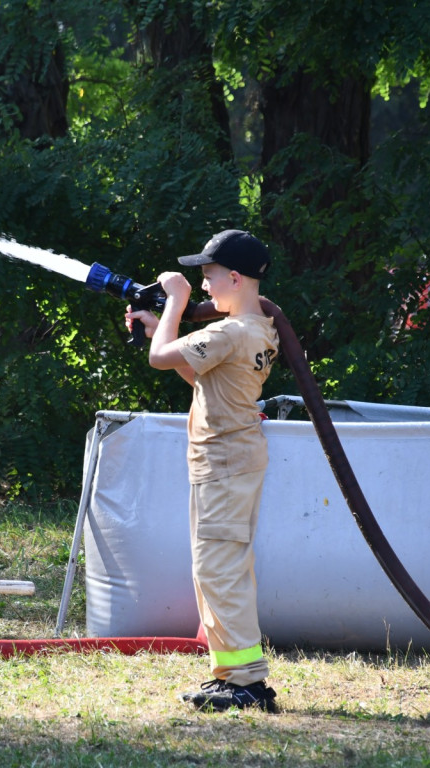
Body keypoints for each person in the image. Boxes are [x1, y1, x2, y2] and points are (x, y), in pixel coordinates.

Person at [125, 229, 280, 713]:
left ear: (234, 278)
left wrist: (177, 299)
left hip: (225, 464)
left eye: (208, 277)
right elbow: (200, 377)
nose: (204, 285)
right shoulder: (256, 330)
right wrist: (162, 326)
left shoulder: (230, 331)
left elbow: (157, 359)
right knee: (219, 570)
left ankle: (245, 683)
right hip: (229, 463)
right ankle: (237, 676)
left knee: (220, 571)